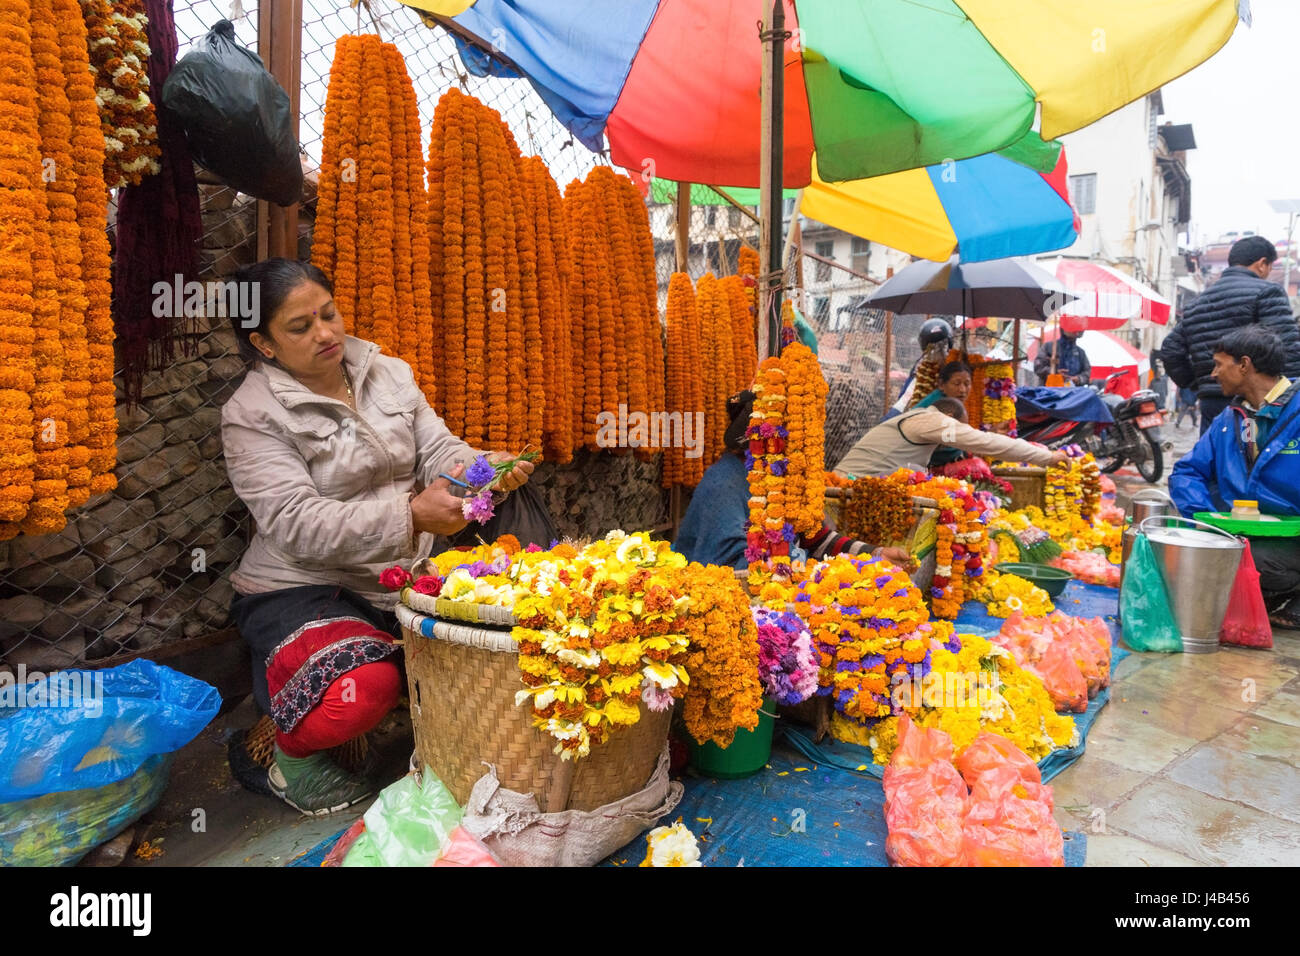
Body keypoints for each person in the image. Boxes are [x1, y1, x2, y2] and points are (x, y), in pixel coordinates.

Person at [220, 258, 534, 815]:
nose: (326, 333)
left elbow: (439, 451)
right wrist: (410, 518)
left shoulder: (385, 371)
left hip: (396, 575)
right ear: (263, 344)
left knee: (501, 624)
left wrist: (486, 467)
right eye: (300, 326)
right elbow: (297, 522)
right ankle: (287, 762)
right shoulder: (251, 413)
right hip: (302, 584)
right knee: (359, 691)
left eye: (329, 314)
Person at [674, 391, 913, 571]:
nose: (800, 449)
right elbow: (735, 563)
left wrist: (875, 555)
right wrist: (818, 571)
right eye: (793, 437)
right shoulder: (724, 484)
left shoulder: (780, 480)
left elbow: (815, 538)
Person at [1169, 326, 1300, 628]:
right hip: (1243, 534)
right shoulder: (1229, 420)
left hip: (1291, 539)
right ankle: (1264, 592)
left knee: (1246, 563)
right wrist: (1204, 523)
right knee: (1193, 556)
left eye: (1218, 364)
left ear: (1244, 365)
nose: (1213, 374)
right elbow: (1187, 472)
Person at [1161, 235, 1300, 436]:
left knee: (1215, 460)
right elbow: (1286, 346)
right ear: (1262, 264)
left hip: (1212, 403)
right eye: (1269, 267)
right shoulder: (1267, 292)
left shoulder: (1197, 303)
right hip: (1258, 402)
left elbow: (1170, 350)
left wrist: (1200, 384)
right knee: (1255, 461)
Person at [835, 397, 1068, 478]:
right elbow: (986, 442)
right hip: (848, 485)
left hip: (854, 482)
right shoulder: (932, 420)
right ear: (949, 416)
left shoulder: (920, 419)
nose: (960, 430)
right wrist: (1047, 457)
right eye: (960, 425)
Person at [883, 318, 954, 420]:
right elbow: (905, 401)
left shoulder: (951, 364)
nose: (938, 353)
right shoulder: (922, 369)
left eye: (942, 347)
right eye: (934, 348)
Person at [913, 360, 973, 468]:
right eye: (957, 383)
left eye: (967, 384)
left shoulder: (953, 401)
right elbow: (948, 441)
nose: (963, 390)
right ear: (941, 385)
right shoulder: (938, 405)